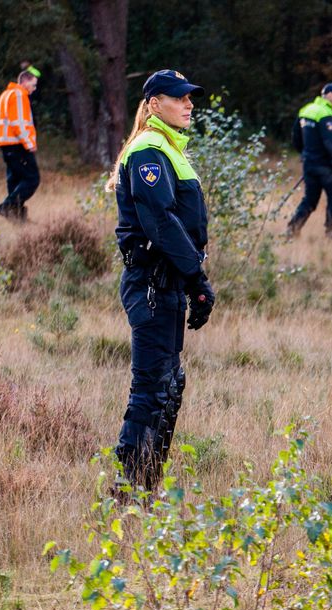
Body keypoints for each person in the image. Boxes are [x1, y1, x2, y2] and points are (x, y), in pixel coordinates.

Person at [109, 70, 215, 494]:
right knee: (152, 388)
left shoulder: (169, 148)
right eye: (179, 98)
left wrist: (191, 282)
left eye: (190, 98)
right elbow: (160, 222)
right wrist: (197, 277)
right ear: (154, 104)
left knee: (169, 385)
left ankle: (146, 487)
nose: (189, 104)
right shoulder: (149, 150)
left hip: (168, 282)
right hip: (151, 283)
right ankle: (126, 490)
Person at [286, 83, 332, 238]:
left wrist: (305, 154)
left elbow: (295, 138)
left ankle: (292, 230)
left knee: (309, 200)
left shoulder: (306, 110)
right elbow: (331, 143)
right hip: (325, 166)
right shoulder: (325, 114)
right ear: (329, 94)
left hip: (309, 164)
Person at [0, 63, 41, 222]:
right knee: (32, 179)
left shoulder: (5, 95)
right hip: (17, 145)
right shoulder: (20, 95)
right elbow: (19, 123)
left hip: (6, 144)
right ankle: (6, 207)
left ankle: (18, 219)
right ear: (25, 82)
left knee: (15, 180)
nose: (34, 88)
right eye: (33, 85)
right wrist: (29, 143)